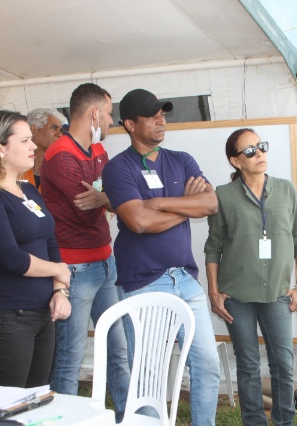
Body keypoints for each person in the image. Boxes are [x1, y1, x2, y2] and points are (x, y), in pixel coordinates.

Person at [103, 88, 221, 426]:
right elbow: (138, 222)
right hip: (144, 282)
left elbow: (210, 204)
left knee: (206, 364)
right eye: (152, 115)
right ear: (129, 124)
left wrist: (157, 204)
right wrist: (185, 205)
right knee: (149, 375)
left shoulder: (182, 160)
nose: (161, 119)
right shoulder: (118, 169)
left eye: (162, 113)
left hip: (185, 279)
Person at [205, 128, 297, 426]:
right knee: (248, 365)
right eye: (249, 151)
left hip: (277, 293)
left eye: (261, 147)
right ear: (235, 161)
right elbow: (213, 246)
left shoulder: (286, 190)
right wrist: (214, 291)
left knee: (283, 365)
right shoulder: (223, 196)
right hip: (236, 296)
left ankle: (284, 422)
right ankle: (253, 422)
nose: (259, 154)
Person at [0, 110, 71, 387]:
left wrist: (60, 289)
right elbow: (13, 259)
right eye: (24, 141)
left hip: (42, 312)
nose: (34, 146)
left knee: (37, 399)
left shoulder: (28, 189)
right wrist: (59, 270)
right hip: (6, 318)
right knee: (8, 406)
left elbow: (50, 240)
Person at [41, 84, 130, 421]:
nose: (111, 121)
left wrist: (106, 197)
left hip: (104, 262)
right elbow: (85, 209)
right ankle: (62, 418)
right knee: (70, 357)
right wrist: (109, 197)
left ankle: (126, 416)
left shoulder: (96, 151)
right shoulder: (61, 155)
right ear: (94, 113)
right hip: (73, 270)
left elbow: (109, 196)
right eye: (108, 113)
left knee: (118, 350)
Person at [26, 108, 67, 189]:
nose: (59, 134)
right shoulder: (17, 166)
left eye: (61, 130)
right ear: (33, 130)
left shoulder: (63, 167)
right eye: (54, 127)